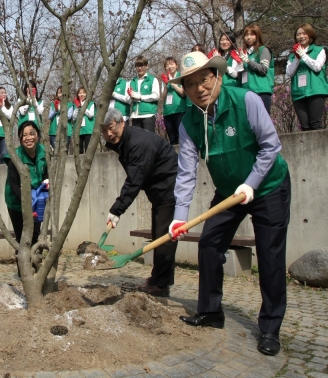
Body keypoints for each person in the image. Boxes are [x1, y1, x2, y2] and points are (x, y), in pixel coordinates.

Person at [168, 51, 290, 357]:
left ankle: (271, 327)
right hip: (228, 193)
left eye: (204, 79)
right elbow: (185, 174)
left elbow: (271, 146)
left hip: (268, 187)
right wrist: (179, 217)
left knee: (270, 256)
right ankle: (211, 312)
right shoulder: (188, 123)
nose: (199, 88)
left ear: (217, 76)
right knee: (209, 245)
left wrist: (252, 183)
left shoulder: (245, 100)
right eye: (190, 84)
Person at [101, 108, 179, 296]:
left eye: (111, 128)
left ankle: (160, 285)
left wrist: (117, 210)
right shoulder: (125, 142)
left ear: (122, 122)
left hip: (169, 188)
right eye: (104, 130)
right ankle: (160, 278)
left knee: (164, 238)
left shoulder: (137, 143)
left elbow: (135, 180)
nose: (109, 134)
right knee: (160, 234)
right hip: (159, 191)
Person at [4, 120, 48, 276]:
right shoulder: (15, 156)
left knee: (36, 235)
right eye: (24, 135)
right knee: (23, 237)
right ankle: (23, 273)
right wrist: (27, 200)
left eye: (32, 133)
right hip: (17, 202)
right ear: (20, 138)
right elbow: (14, 183)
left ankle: (36, 268)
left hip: (38, 199)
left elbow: (47, 174)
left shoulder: (45, 152)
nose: (28, 138)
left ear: (37, 135)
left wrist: (46, 185)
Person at [285, 23, 328, 131]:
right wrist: (297, 58)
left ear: (310, 36)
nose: (300, 36)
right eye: (298, 34)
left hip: (315, 91)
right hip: (298, 93)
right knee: (305, 126)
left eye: (304, 33)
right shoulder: (292, 56)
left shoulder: (320, 50)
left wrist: (304, 55)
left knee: (315, 123)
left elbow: (317, 67)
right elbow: (289, 73)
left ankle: (320, 148)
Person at [239, 24, 275, 113]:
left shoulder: (263, 50)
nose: (248, 37)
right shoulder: (243, 54)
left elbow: (263, 70)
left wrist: (248, 61)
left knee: (263, 122)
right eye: (246, 35)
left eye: (252, 34)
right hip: (247, 93)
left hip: (261, 91)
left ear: (257, 35)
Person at [128, 56, 160, 133]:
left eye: (142, 65)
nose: (140, 68)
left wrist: (140, 97)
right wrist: (130, 98)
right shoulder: (131, 81)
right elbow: (128, 99)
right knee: (137, 140)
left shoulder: (153, 80)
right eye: (138, 66)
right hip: (135, 115)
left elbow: (156, 96)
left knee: (149, 139)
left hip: (148, 114)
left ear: (146, 66)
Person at [161, 57, 187, 145]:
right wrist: (166, 85)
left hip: (180, 110)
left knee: (183, 136)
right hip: (168, 112)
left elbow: (183, 93)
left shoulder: (181, 76)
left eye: (171, 64)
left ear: (176, 65)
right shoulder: (165, 78)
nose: (169, 67)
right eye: (167, 65)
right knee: (172, 139)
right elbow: (163, 98)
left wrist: (172, 82)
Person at [48, 86, 73, 151]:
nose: (60, 95)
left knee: (64, 151)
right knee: (56, 150)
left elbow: (69, 116)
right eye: (59, 93)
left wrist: (62, 110)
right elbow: (50, 117)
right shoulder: (53, 104)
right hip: (54, 131)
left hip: (66, 131)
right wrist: (56, 110)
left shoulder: (70, 105)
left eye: (62, 92)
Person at [72, 86, 95, 153]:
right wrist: (77, 107)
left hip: (88, 130)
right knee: (79, 150)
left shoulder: (91, 103)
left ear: (87, 94)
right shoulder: (75, 105)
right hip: (78, 130)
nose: (81, 94)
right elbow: (73, 118)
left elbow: (91, 115)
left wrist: (82, 106)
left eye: (83, 93)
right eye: (80, 93)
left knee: (88, 149)